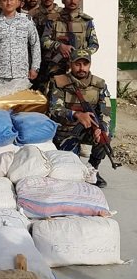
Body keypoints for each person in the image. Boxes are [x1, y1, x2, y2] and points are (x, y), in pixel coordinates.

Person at [48, 49, 111, 187]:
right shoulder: (60, 82)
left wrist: (101, 128)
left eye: (85, 64)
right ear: (71, 64)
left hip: (89, 130)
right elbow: (54, 110)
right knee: (70, 169)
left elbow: (106, 111)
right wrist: (75, 114)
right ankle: (78, 167)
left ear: (90, 65)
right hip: (65, 131)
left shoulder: (99, 84)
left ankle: (93, 169)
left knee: (105, 137)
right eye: (77, 64)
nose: (81, 68)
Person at [41, 0, 99, 80]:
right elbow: (44, 40)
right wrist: (59, 46)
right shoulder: (53, 19)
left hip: (79, 69)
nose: (72, 1)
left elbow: (94, 45)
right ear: (63, 0)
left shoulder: (86, 21)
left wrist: (81, 54)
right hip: (57, 66)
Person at [29, 0, 63, 92]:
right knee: (38, 90)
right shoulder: (32, 14)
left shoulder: (62, 13)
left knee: (57, 89)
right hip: (39, 59)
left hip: (58, 60)